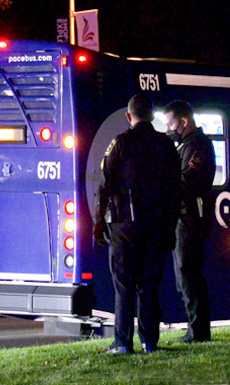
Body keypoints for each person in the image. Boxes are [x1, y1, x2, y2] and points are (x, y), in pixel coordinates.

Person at [94, 94, 180, 354]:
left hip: (125, 228)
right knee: (149, 287)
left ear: (128, 116)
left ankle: (122, 343)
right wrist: (170, 228)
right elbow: (176, 191)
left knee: (124, 287)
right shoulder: (166, 146)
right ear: (152, 116)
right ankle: (149, 342)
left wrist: (99, 222)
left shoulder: (120, 144)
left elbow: (104, 185)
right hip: (155, 227)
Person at [162, 100, 216, 343]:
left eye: (170, 124)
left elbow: (186, 182)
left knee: (189, 273)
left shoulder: (198, 146)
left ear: (184, 121)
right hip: (183, 218)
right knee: (183, 274)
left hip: (191, 218)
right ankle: (194, 328)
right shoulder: (184, 145)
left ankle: (198, 331)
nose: (168, 130)